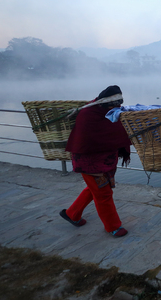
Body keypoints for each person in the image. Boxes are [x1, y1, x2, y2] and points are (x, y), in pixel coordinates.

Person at [59, 85, 132, 237]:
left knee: (96, 190)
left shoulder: (109, 112)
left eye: (119, 104)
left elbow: (115, 131)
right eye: (114, 104)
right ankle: (113, 227)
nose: (117, 107)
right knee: (103, 193)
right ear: (105, 102)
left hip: (105, 161)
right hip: (89, 162)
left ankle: (72, 214)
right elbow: (95, 138)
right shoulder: (88, 114)